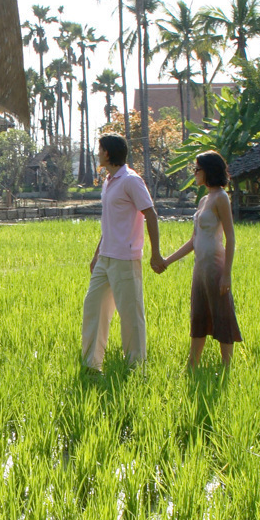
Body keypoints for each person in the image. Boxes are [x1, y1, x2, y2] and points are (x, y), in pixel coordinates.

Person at [82, 132, 164, 369]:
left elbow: (150, 214)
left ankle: (136, 366)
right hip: (106, 257)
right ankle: (91, 365)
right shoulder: (109, 182)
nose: (97, 154)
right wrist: (97, 254)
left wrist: (155, 253)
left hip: (126, 259)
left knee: (131, 316)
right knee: (93, 308)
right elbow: (109, 222)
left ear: (107, 153)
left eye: (99, 150)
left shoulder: (131, 180)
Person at [160, 149, 242, 367]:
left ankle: (227, 366)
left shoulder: (221, 198)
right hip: (200, 268)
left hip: (216, 267)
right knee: (198, 315)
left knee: (222, 315)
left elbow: (231, 238)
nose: (194, 173)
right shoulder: (204, 200)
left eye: (197, 169)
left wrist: (227, 274)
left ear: (209, 171)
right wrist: (167, 260)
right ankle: (192, 365)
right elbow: (193, 241)